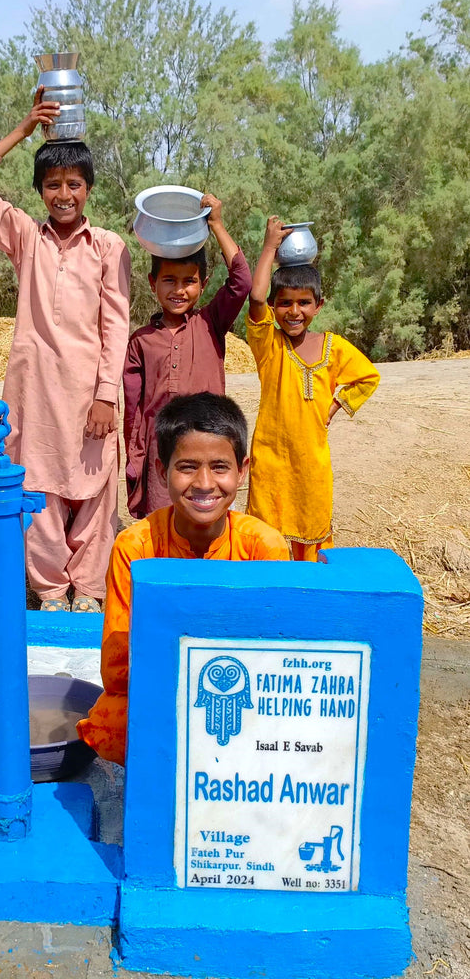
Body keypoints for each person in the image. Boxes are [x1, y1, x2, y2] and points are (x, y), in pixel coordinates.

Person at [0, 91, 131, 613]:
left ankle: (92, 589)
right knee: (40, 487)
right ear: (39, 191)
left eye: (73, 184)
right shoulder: (25, 238)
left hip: (89, 393)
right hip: (35, 391)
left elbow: (116, 325)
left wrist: (106, 395)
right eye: (52, 184)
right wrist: (25, 127)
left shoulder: (108, 246)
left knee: (95, 491)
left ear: (89, 189)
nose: (63, 194)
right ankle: (53, 589)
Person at [77, 392, 289, 765]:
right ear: (161, 470)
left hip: (242, 695)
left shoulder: (263, 547)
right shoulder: (136, 546)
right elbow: (117, 666)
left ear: (243, 470)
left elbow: (276, 654)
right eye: (187, 467)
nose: (205, 483)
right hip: (159, 691)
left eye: (220, 467)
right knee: (112, 721)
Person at [245, 216, 380, 561]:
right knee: (268, 538)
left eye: (304, 303)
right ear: (275, 308)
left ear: (318, 305)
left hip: (312, 464)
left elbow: (367, 377)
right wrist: (269, 247)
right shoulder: (268, 344)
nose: (294, 311)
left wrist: (334, 408)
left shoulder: (333, 347)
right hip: (271, 459)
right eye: (285, 303)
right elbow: (256, 296)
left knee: (311, 529)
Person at [124, 195, 252, 518]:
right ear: (153, 283)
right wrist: (136, 458)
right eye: (169, 280)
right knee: (164, 527)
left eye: (189, 282)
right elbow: (134, 412)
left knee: (208, 520)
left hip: (210, 444)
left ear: (203, 284)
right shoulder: (141, 341)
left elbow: (242, 281)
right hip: (163, 453)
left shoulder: (211, 323)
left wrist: (217, 225)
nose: (179, 290)